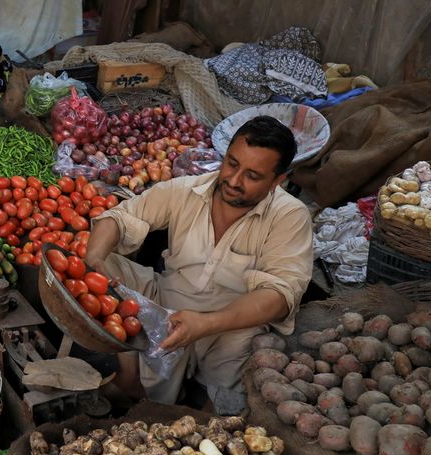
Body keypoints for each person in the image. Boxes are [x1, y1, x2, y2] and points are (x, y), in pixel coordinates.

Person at [85, 115, 313, 410]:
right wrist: (94, 259)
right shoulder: (185, 191)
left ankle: (204, 409)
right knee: (106, 267)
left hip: (229, 323)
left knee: (232, 390)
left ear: (277, 181)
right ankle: (129, 376)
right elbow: (119, 217)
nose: (233, 181)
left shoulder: (290, 216)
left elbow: (281, 295)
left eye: (252, 176)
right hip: (165, 302)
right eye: (232, 163)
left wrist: (205, 323)